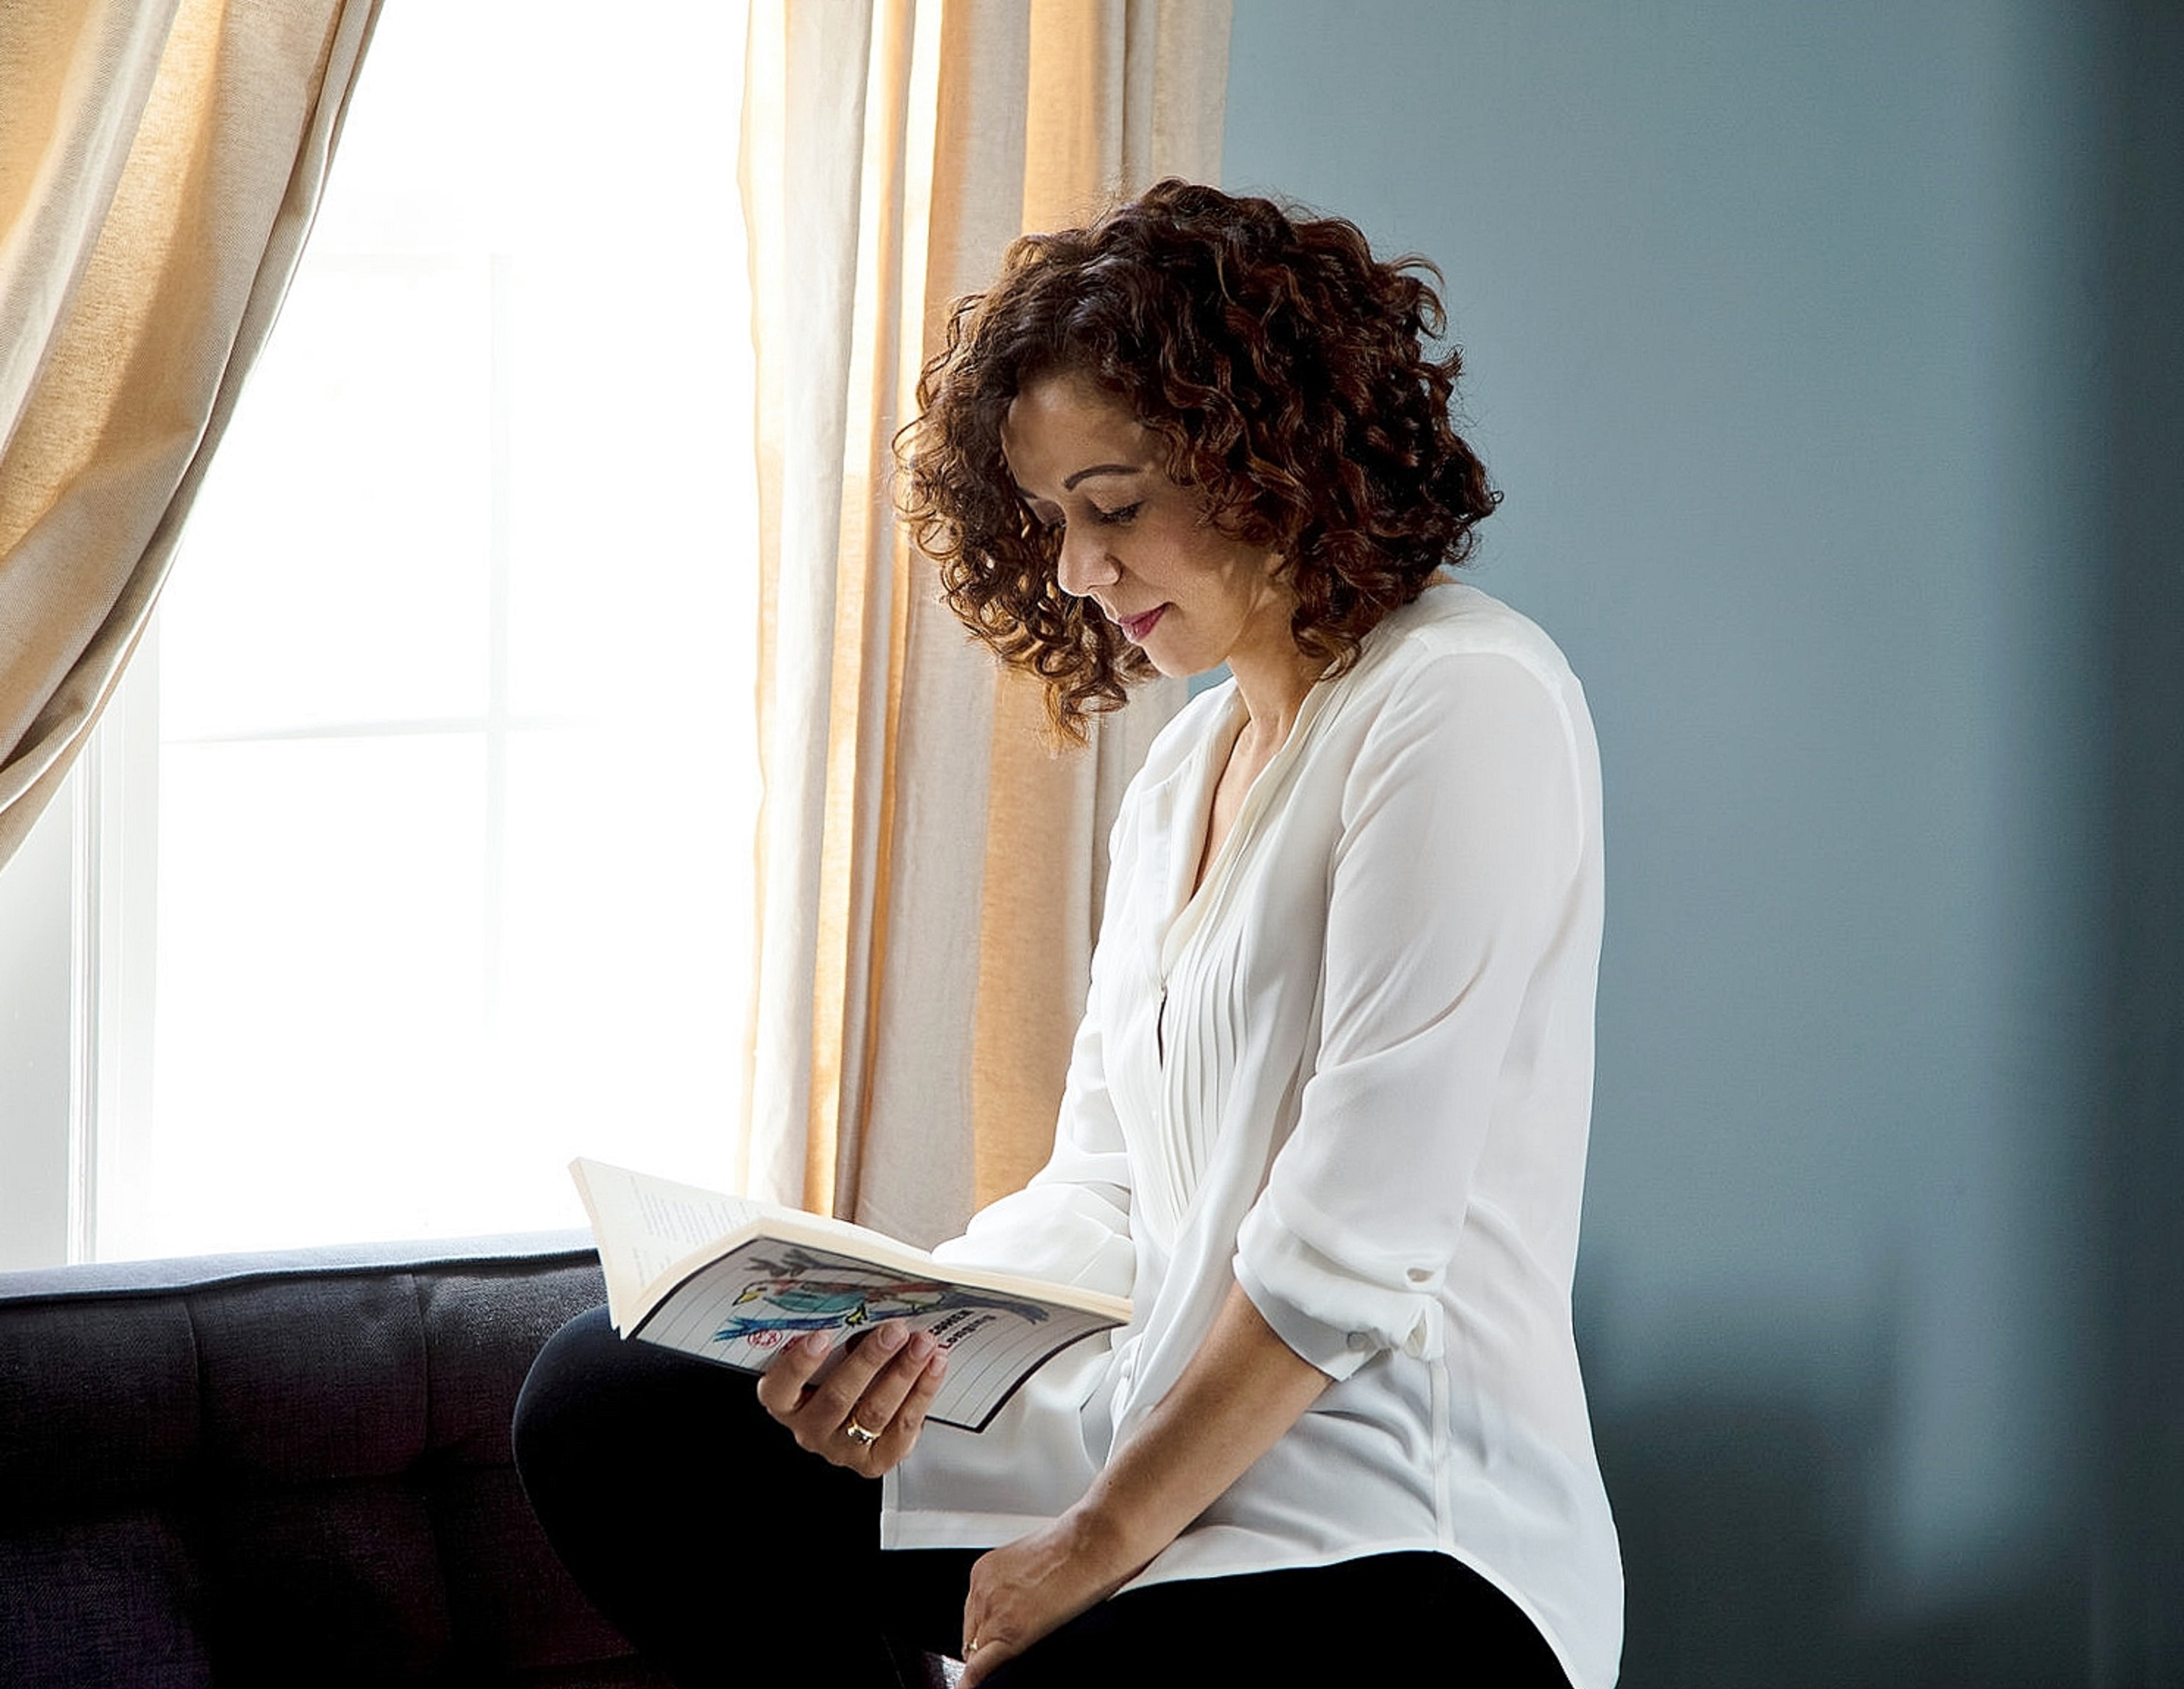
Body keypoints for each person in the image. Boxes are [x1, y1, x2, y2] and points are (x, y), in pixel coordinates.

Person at [513, 180, 1622, 1689]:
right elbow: (1104, 1185)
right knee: (613, 1396)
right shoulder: (1183, 772)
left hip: (1387, 1527)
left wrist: (1091, 1549)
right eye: (1048, 521)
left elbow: (1349, 1254)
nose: (1076, 573)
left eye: (1113, 508)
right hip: (1128, 1442)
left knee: (1063, 1652)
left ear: (1271, 456)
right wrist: (909, 1342)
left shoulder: (1462, 702)